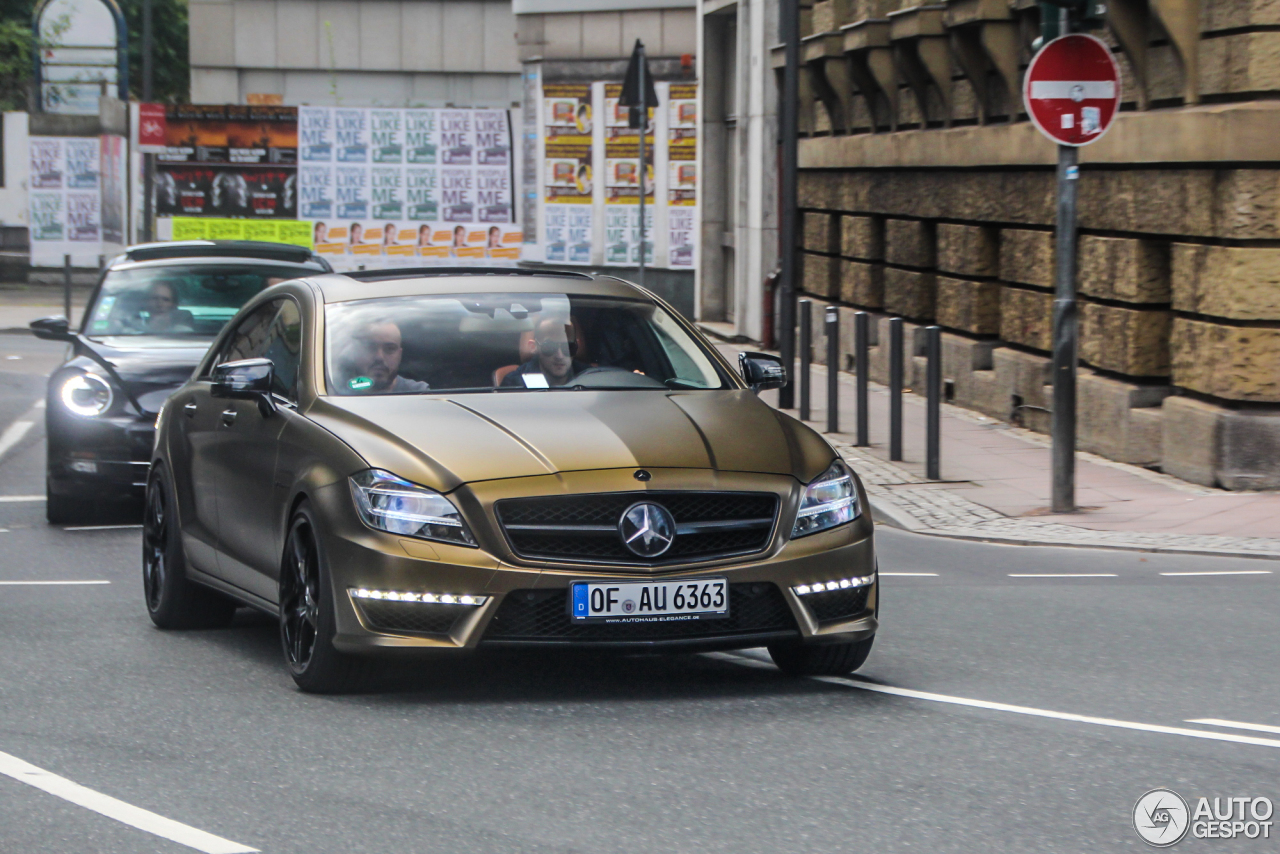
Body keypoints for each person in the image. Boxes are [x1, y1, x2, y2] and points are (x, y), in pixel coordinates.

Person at [341, 319, 430, 394]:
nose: (379, 357)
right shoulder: (337, 395)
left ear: (399, 355)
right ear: (356, 352)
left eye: (390, 349)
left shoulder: (418, 393)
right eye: (371, 348)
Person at [500, 317, 588, 388]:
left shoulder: (591, 377)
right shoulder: (514, 384)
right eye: (550, 347)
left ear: (577, 347)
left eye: (568, 347)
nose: (559, 356)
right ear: (533, 347)